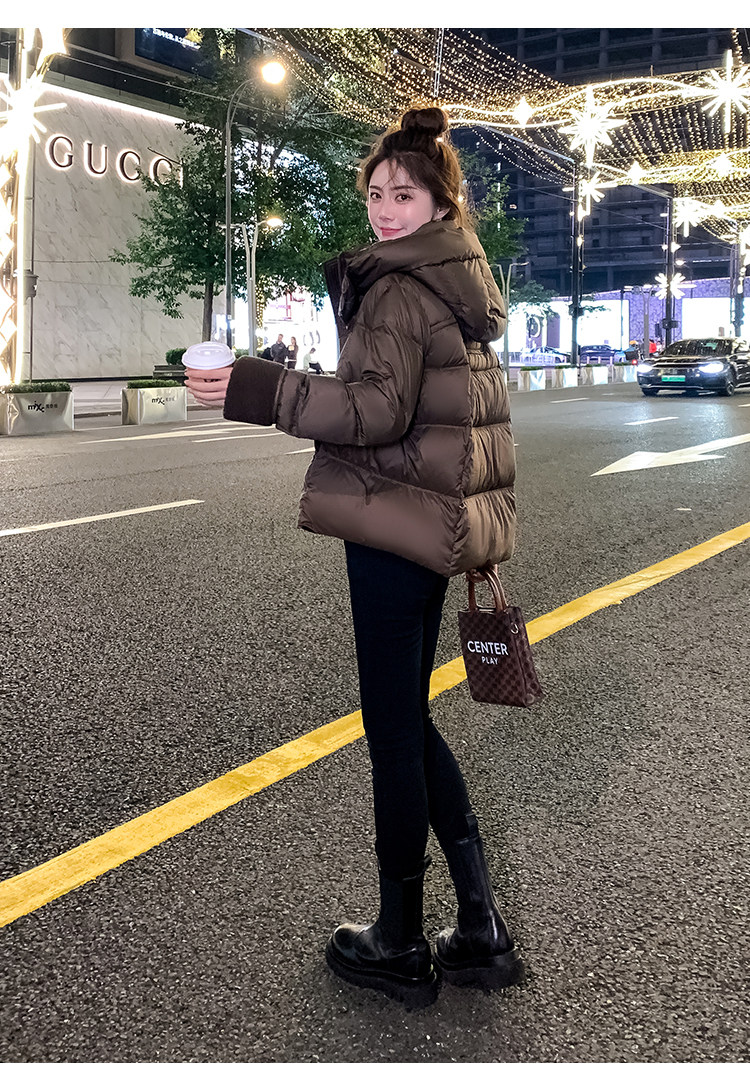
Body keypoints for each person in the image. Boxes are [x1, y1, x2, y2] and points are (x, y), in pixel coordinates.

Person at [185, 106, 523, 1010]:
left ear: (440, 202)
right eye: (375, 193)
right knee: (407, 717)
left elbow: (373, 411)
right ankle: (480, 924)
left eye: (402, 194)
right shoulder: (458, 279)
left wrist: (255, 386)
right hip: (432, 523)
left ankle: (400, 939)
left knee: (393, 727)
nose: (383, 209)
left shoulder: (400, 288)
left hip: (393, 521)